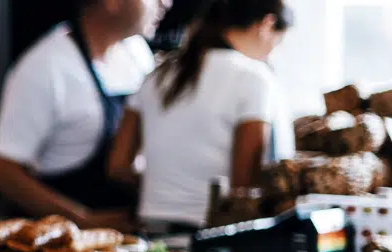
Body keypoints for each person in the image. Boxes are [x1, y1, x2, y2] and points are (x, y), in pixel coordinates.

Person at [109, 0, 294, 230]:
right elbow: (243, 187)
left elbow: (117, 166)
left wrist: (167, 188)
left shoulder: (158, 74)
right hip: (212, 234)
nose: (273, 53)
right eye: (279, 43)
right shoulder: (254, 78)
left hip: (152, 228)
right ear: (267, 25)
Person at [0, 0, 168, 229]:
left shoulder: (137, 53)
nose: (166, 3)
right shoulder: (45, 67)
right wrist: (82, 220)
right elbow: (3, 173)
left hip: (127, 239)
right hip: (59, 244)